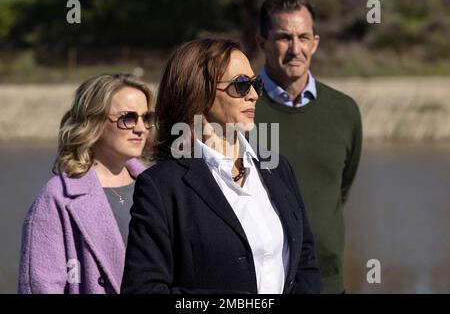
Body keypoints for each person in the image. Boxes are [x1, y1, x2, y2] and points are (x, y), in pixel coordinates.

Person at [121, 38, 321, 294]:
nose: (253, 94)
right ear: (199, 94)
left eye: (256, 83)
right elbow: (143, 290)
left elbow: (306, 262)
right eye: (240, 85)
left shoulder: (278, 168)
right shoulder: (161, 186)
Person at [255, 0, 363, 293]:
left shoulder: (345, 111)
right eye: (283, 38)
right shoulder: (239, 108)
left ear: (315, 42)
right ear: (262, 41)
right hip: (264, 284)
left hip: (330, 284)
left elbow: (339, 190)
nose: (295, 49)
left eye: (303, 37)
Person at [18, 73, 155, 294]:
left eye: (146, 118)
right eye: (128, 118)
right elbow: (41, 287)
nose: (141, 128)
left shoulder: (157, 188)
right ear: (94, 122)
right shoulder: (57, 198)